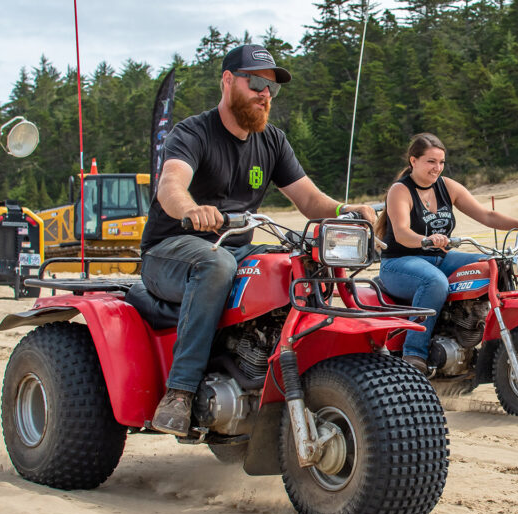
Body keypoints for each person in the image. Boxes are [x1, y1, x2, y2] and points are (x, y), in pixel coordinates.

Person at [140, 44, 376, 436]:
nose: (264, 93)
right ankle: (180, 392)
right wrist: (191, 209)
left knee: (298, 263)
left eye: (271, 87)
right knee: (215, 264)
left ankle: (277, 368)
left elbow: (309, 200)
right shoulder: (192, 133)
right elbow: (171, 184)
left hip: (236, 246)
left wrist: (344, 210)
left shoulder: (272, 141)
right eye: (255, 83)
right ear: (228, 81)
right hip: (172, 249)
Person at [376, 133, 518, 375]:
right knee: (434, 282)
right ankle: (414, 354)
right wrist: (426, 239)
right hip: (400, 262)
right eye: (430, 161)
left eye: (441, 162)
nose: (437, 168)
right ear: (413, 161)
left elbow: (487, 215)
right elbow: (402, 233)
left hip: (440, 258)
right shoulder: (400, 190)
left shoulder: (447, 186)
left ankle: (484, 335)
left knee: (495, 265)